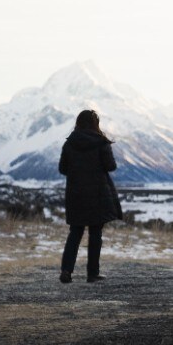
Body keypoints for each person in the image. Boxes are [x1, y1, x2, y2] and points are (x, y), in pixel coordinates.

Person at [58, 110, 123, 283]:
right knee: (95, 233)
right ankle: (92, 274)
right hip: (98, 194)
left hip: (76, 194)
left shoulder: (69, 143)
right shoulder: (101, 142)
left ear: (78, 123)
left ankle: (66, 271)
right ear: (96, 124)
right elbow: (111, 166)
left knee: (75, 232)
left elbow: (62, 169)